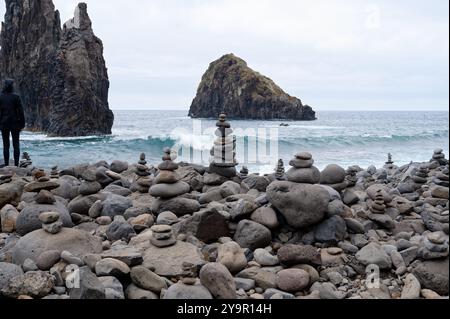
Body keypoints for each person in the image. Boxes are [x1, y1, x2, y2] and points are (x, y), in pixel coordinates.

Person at [0, 79, 25, 167]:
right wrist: (22, 124)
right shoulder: (16, 97)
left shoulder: (1, 96)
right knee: (16, 145)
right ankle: (16, 165)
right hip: (15, 124)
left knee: (6, 145)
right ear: (11, 86)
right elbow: (20, 112)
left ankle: (6, 165)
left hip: (4, 124)